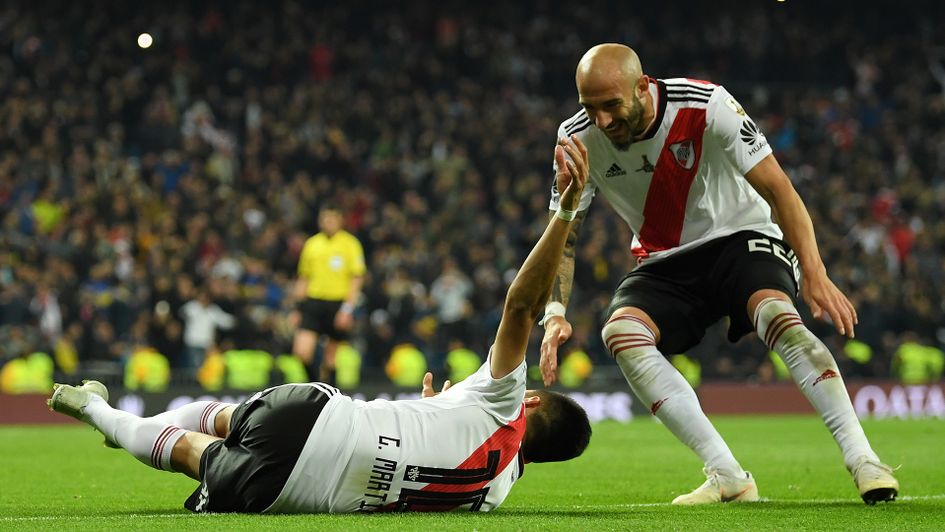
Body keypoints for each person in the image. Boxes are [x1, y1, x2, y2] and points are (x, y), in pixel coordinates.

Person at [46, 138, 592, 514]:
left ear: (536, 403)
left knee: (217, 416)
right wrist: (439, 407)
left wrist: (564, 214)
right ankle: (104, 416)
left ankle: (105, 414)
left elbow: (520, 306)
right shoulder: (493, 495)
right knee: (192, 452)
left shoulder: (506, 404)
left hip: (317, 420)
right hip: (295, 494)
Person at [539, 43, 898, 505]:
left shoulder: (707, 105)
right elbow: (563, 234)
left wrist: (815, 270)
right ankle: (728, 474)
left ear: (643, 87)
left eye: (612, 106)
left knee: (776, 315)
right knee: (622, 333)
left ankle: (863, 459)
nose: (603, 121)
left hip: (739, 237)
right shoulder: (576, 139)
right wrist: (554, 312)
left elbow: (779, 189)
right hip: (664, 260)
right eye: (591, 108)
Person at [292, 206, 366, 384]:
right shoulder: (312, 244)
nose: (328, 222)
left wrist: (347, 309)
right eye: (325, 218)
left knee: (331, 356)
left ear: (340, 220)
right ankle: (315, 383)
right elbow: (304, 277)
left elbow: (356, 278)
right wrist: (297, 308)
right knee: (301, 351)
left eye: (332, 219)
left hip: (337, 303)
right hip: (313, 302)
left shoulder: (350, 244)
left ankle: (331, 397)